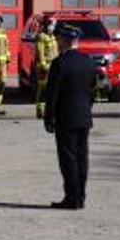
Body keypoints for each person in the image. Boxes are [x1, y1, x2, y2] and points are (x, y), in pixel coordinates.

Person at [41, 25, 98, 210]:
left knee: (68, 159)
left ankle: (71, 198)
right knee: (82, 159)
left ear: (64, 41)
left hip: (66, 118)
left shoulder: (60, 63)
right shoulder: (88, 61)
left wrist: (49, 118)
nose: (57, 43)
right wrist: (87, 109)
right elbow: (93, 90)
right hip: (84, 117)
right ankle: (80, 197)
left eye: (58, 40)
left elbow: (52, 93)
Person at [32, 16, 60, 119]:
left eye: (53, 25)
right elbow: (40, 52)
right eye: (51, 25)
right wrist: (43, 65)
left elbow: (56, 53)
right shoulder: (41, 37)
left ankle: (50, 110)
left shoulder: (52, 37)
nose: (52, 27)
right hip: (44, 66)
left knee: (52, 89)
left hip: (53, 65)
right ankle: (40, 111)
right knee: (43, 89)